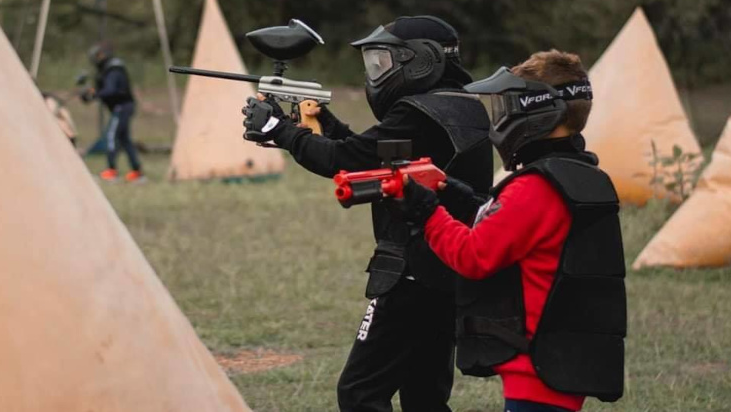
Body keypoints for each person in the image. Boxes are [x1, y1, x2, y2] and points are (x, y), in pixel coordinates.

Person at [242, 16, 493, 412]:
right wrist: (324, 125)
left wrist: (281, 129)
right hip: (448, 270)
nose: (376, 74)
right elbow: (373, 156)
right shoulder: (463, 105)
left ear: (422, 61)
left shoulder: (419, 111)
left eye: (383, 62)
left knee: (360, 392)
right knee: (424, 396)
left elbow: (344, 160)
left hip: (412, 273)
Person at [392, 50, 627, 412]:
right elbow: (521, 235)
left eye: (509, 107)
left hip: (537, 371)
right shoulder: (581, 177)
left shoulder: (535, 187)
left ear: (535, 112)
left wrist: (426, 211)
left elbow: (473, 256)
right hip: (562, 359)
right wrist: (468, 201)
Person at [81, 42, 144, 183]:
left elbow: (111, 90)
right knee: (125, 140)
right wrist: (92, 93)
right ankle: (136, 171)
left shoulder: (113, 70)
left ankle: (111, 170)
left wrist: (95, 94)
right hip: (123, 107)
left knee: (111, 136)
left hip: (122, 107)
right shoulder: (111, 69)